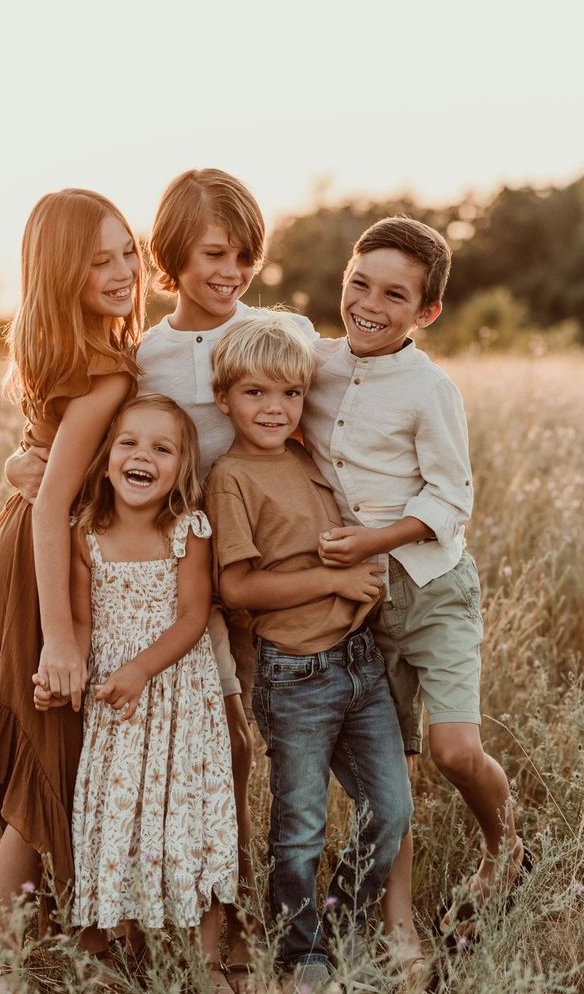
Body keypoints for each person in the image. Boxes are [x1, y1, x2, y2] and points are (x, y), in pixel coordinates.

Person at [7, 168, 317, 988]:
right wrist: (26, 463)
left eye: (246, 253)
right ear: (173, 258)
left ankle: (229, 903)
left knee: (241, 744)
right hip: (169, 572)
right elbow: (100, 442)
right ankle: (136, 909)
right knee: (173, 733)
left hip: (258, 564)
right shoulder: (141, 355)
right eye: (215, 251)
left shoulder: (279, 331)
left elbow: (315, 428)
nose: (233, 268)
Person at [301, 216, 530, 968]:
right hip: (357, 601)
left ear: (425, 311)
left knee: (454, 749)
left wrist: (370, 538)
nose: (369, 304)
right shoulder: (315, 363)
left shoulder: (431, 387)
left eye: (395, 294)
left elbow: (450, 498)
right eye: (358, 283)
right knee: (389, 769)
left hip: (433, 588)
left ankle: (507, 845)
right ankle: (400, 931)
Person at [0, 188, 144, 992]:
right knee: (46, 756)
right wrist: (62, 639)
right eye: (99, 260)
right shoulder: (102, 366)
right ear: (61, 273)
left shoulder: (74, 348)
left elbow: (43, 466)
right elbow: (55, 500)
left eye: (127, 251)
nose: (123, 271)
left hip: (22, 545)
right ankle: (3, 968)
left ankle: (63, 947)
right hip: (41, 564)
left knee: (52, 757)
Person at [205, 314, 413, 993]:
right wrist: (330, 579)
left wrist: (363, 576)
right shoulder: (232, 475)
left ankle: (342, 918)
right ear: (224, 398)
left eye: (290, 394)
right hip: (294, 674)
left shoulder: (307, 457)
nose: (275, 408)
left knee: (391, 809)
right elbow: (237, 586)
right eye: (257, 393)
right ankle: (302, 954)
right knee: (299, 827)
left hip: (359, 663)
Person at [34, 394, 238, 991]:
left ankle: (206, 964)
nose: (141, 455)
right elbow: (81, 625)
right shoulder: (84, 534)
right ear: (104, 460)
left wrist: (142, 669)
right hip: (116, 708)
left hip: (179, 701)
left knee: (188, 823)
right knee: (115, 819)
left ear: (181, 468)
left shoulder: (188, 530)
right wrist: (61, 680)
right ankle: (102, 953)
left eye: (161, 447)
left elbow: (192, 617)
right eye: (128, 442)